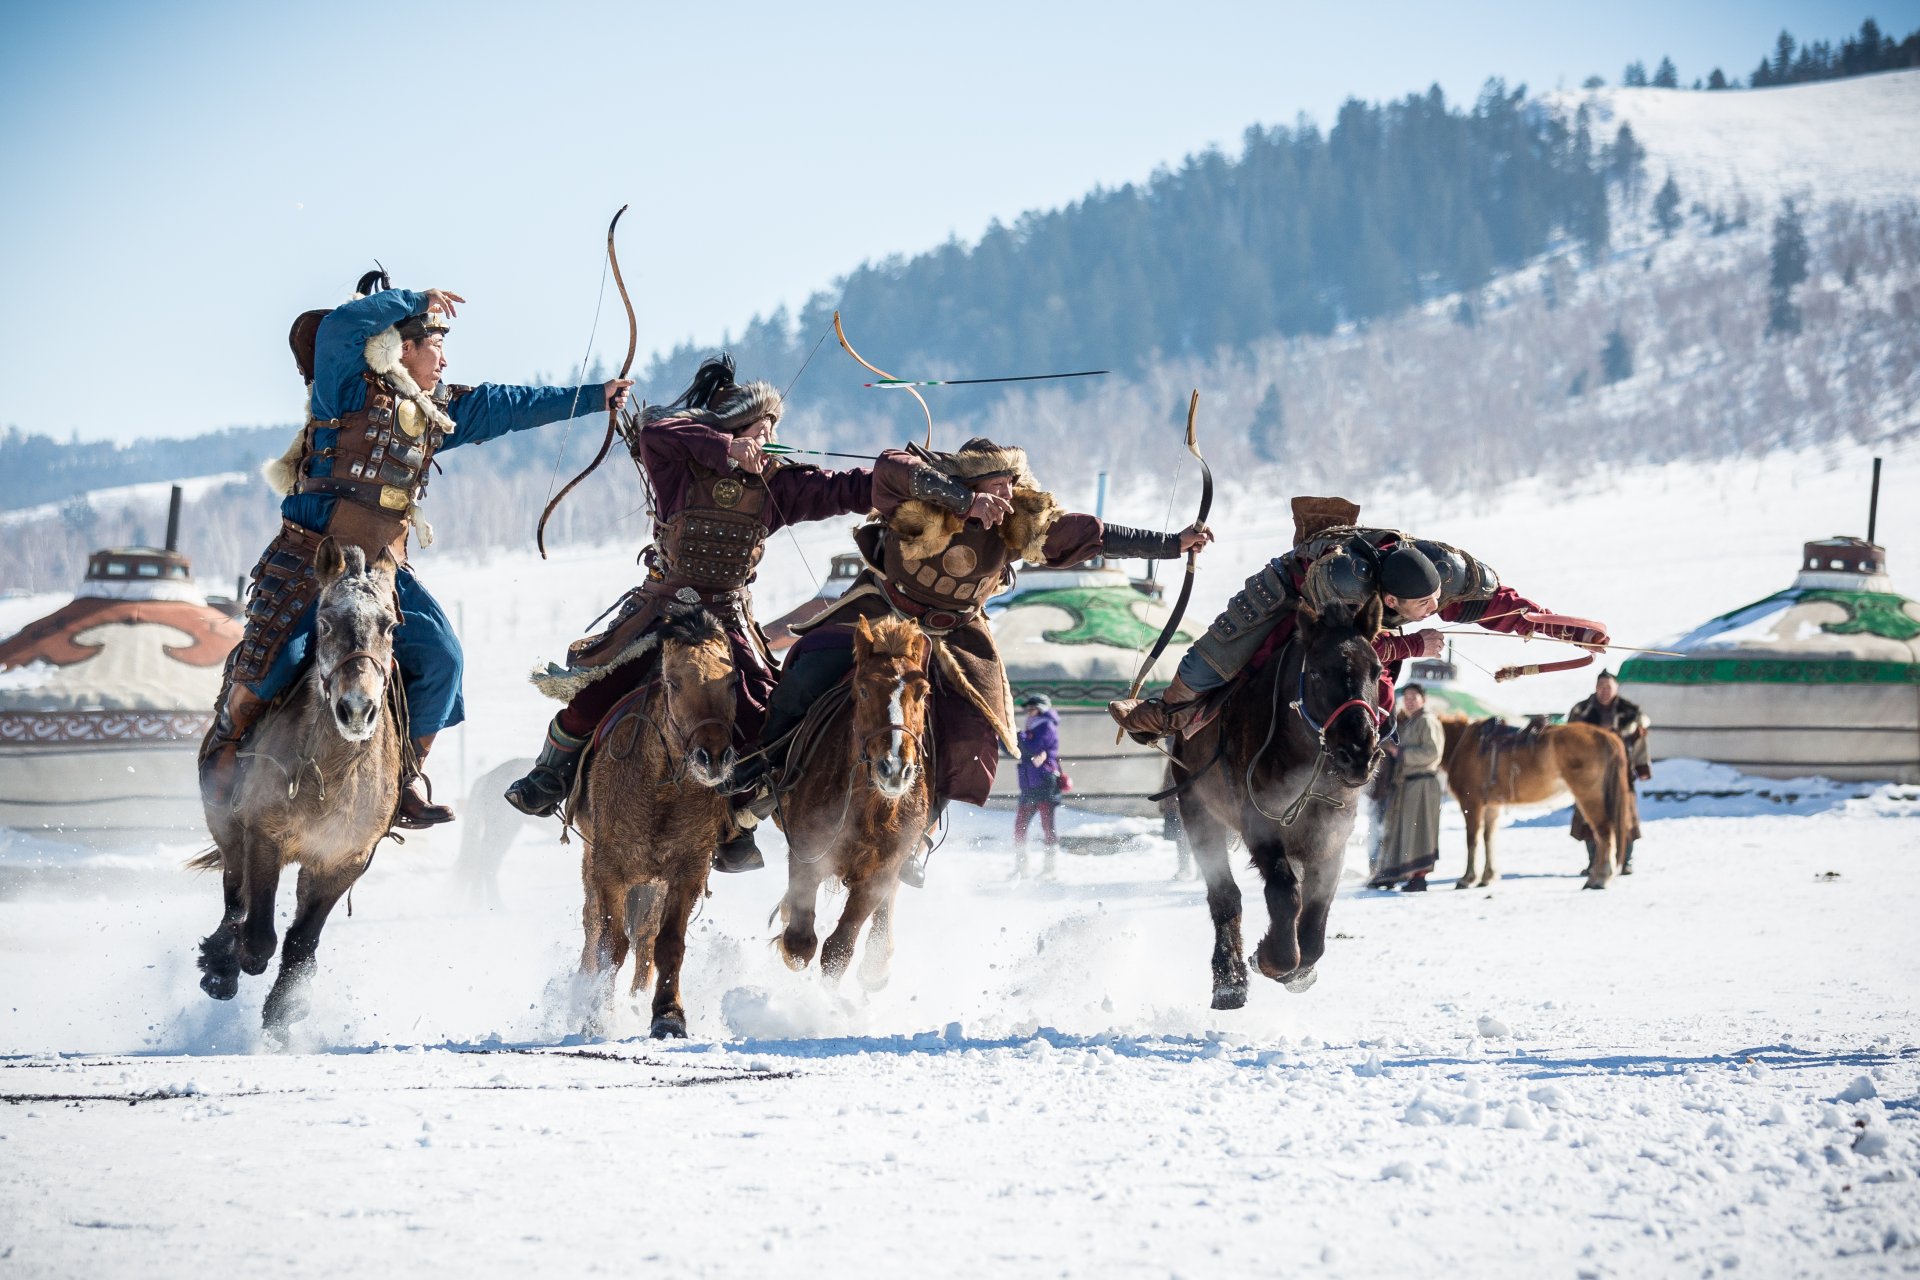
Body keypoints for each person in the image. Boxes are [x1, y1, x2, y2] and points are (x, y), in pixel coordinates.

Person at [202, 272, 631, 827]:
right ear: (404, 348)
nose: (445, 363)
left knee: (443, 659)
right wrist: (415, 299)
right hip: (314, 558)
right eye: (437, 347)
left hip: (383, 572)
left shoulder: (435, 413)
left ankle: (400, 779)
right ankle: (227, 746)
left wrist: (596, 397)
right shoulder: (345, 387)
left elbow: (510, 405)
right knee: (277, 658)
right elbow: (336, 329)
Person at [758, 437, 1210, 887]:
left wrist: (1173, 544)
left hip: (955, 633)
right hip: (883, 611)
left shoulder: (1020, 524)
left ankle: (916, 834)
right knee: (807, 672)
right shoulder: (920, 496)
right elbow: (889, 466)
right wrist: (964, 501)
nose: (1010, 496)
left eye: (1013, 484)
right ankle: (761, 777)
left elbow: (1095, 536)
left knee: (972, 732)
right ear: (971, 481)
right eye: (1000, 484)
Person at [504, 356, 873, 872]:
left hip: (728, 624)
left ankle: (737, 822)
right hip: (662, 611)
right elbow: (657, 430)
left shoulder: (777, 486)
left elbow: (849, 488)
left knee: (770, 722)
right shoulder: (679, 467)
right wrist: (727, 448)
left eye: (771, 430)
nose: (766, 439)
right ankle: (550, 776)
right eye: (756, 430)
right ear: (729, 429)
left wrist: (909, 481)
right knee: (596, 696)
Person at [1110, 496, 1605, 740]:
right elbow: (1332, 647)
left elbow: (1504, 607)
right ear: (1389, 601)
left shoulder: (1444, 575)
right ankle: (1160, 714)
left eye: (1437, 599)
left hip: (1359, 610)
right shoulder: (1345, 584)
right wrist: (1413, 645)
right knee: (1211, 664)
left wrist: (1565, 630)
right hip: (1296, 588)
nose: (1436, 610)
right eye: (1423, 607)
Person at [1566, 668, 1651, 871]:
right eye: (1601, 687)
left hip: (1621, 773)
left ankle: (1624, 861)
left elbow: (1639, 742)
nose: (1604, 691)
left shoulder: (1629, 712)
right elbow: (1567, 742)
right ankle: (1595, 862)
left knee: (1624, 815)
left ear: (1616, 688)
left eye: (1608, 687)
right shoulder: (1582, 711)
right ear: (1595, 688)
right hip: (1589, 774)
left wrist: (1641, 766)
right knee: (1590, 817)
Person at [1368, 683, 1444, 890]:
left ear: (1423, 699)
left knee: (1421, 832)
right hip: (1407, 783)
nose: (1409, 701)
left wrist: (1400, 753)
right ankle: (1393, 873)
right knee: (1403, 831)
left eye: (1414, 697)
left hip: (1423, 783)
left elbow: (1432, 753)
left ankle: (1419, 877)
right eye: (1407, 697)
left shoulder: (1427, 722)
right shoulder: (1410, 722)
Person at [1011, 693, 1064, 879]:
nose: (1028, 712)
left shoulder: (1046, 725)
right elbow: (1018, 749)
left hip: (1044, 781)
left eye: (1032, 708)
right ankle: (1021, 868)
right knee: (1019, 827)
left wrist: (1017, 735)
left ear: (1041, 709)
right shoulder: (1032, 726)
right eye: (1028, 709)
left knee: (1047, 826)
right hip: (1029, 781)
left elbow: (1031, 747)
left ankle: (1050, 869)